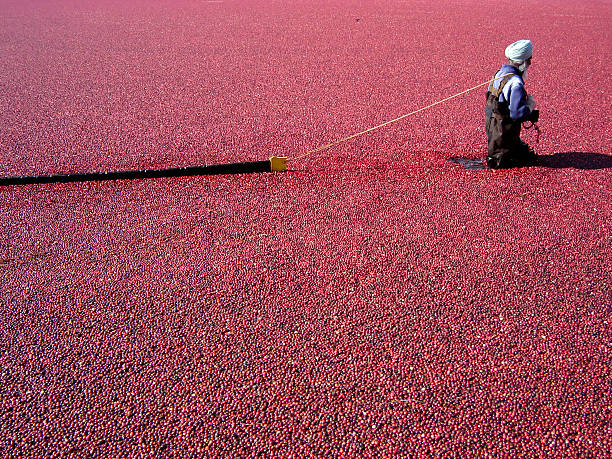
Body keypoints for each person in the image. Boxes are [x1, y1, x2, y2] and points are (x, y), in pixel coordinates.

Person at [485, 39, 540, 169]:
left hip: (492, 129)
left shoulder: (498, 74)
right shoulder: (516, 83)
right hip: (503, 133)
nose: (530, 63)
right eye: (529, 60)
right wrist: (531, 105)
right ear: (524, 62)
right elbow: (517, 114)